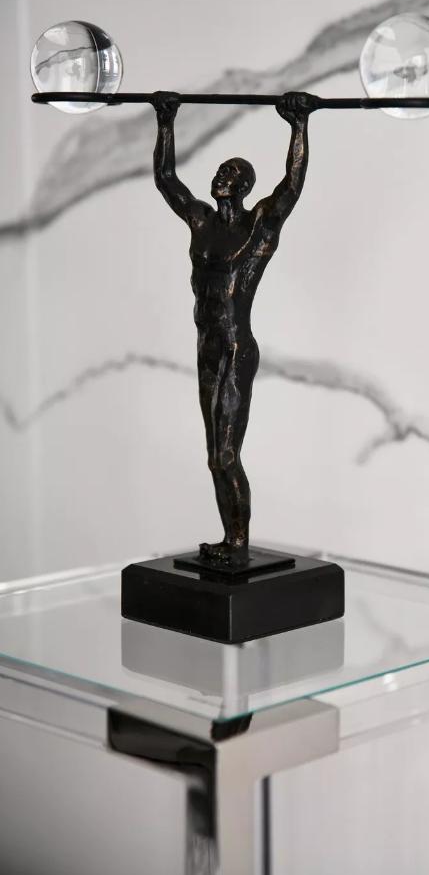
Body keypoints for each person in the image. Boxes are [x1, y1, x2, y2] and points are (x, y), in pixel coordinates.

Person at [151, 89, 316, 561]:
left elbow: (291, 187)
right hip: (206, 345)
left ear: (243, 187)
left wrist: (298, 125)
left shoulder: (257, 228)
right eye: (220, 170)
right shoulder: (200, 223)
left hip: (235, 348)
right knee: (214, 458)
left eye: (230, 173)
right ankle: (231, 539)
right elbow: (166, 179)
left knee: (226, 454)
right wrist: (166, 119)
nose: (220, 177)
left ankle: (238, 543)